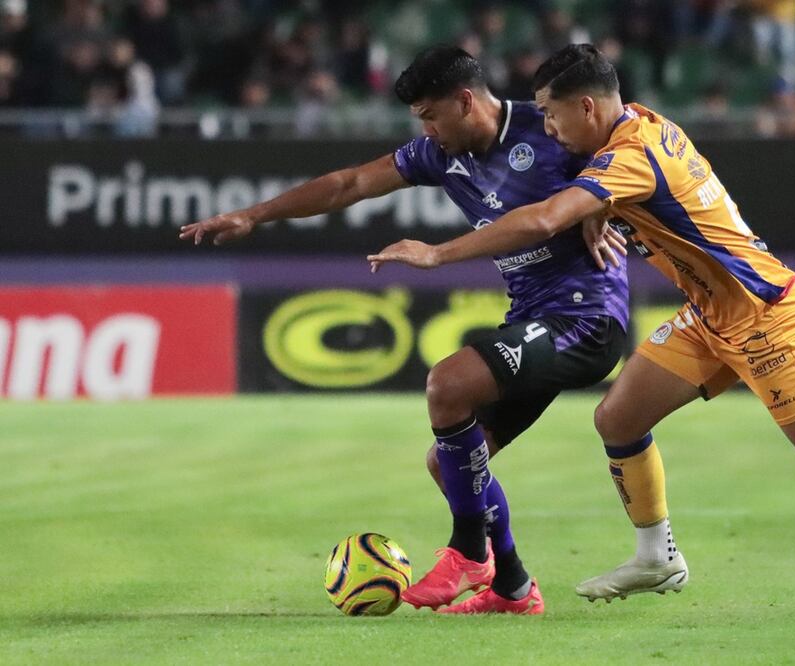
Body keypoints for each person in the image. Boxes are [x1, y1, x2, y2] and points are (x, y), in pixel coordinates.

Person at [368, 44, 795, 628]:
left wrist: (439, 253)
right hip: (710, 314)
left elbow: (544, 216)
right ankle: (657, 559)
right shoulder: (637, 125)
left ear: (586, 108)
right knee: (618, 418)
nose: (548, 128)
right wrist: (600, 216)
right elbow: (604, 197)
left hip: (761, 312)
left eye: (552, 114)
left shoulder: (627, 155)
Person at [179, 46, 630, 616]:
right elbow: (350, 184)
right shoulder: (439, 155)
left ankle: (469, 552)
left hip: (584, 318)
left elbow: (625, 136)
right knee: (450, 463)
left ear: (466, 101)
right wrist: (254, 215)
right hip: (531, 319)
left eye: (430, 114)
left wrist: (604, 196)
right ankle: (513, 588)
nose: (425, 129)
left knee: (448, 384)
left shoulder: (549, 127)